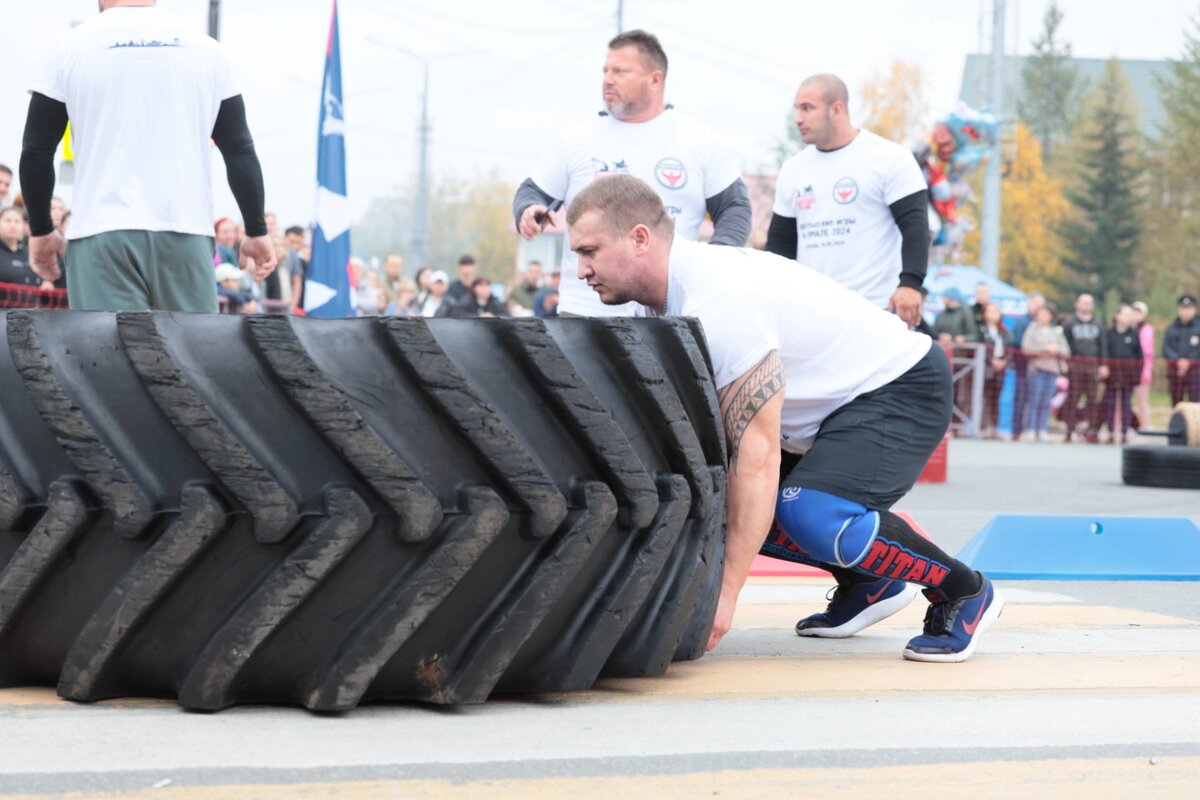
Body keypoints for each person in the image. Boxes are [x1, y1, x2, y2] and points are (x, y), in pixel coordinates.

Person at [567, 174, 1002, 662]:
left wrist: (724, 596)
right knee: (715, 496)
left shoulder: (719, 302)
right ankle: (870, 583)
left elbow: (756, 457)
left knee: (810, 511)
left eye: (590, 251)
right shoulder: (664, 304)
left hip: (900, 386)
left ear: (639, 238)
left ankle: (963, 591)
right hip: (831, 408)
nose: (581, 269)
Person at [18, 0, 275, 312]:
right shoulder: (208, 50)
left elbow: (37, 152)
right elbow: (239, 150)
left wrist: (42, 230)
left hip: (101, 232)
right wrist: (256, 230)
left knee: (106, 357)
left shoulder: (66, 48)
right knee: (191, 356)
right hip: (186, 229)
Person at [513, 29, 751, 317]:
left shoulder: (699, 141)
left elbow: (735, 208)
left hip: (668, 312)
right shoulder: (575, 140)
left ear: (655, 79)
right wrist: (528, 208)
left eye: (620, 71)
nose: (608, 79)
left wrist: (715, 263)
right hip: (584, 313)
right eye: (605, 71)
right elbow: (532, 191)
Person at [765, 74, 928, 327]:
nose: (798, 118)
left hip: (874, 309)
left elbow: (915, 227)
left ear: (837, 109)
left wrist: (910, 283)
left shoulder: (888, 158)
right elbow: (780, 245)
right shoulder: (793, 169)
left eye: (807, 108)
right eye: (797, 108)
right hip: (811, 312)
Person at [1061, 293, 1109, 443]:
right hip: (1075, 365)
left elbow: (1103, 345)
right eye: (1083, 302)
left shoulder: (1098, 323)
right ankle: (1069, 430)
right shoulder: (1069, 323)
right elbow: (1064, 344)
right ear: (1077, 304)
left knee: (1093, 399)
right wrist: (1066, 363)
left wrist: (1103, 364)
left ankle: (1092, 430)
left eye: (1089, 303)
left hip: (1092, 366)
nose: (1086, 306)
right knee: (1072, 398)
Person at [1021, 303, 1070, 442]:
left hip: (1052, 371)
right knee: (1034, 401)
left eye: (1047, 314)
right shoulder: (1032, 329)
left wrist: (1055, 350)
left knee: (1046, 401)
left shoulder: (1055, 331)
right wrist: (1044, 349)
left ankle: (1042, 429)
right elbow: (1026, 347)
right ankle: (1031, 429)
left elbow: (1066, 351)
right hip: (1037, 370)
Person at [1102, 304, 1142, 444]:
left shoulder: (1133, 334)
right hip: (1112, 375)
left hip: (1127, 375)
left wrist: (1137, 376)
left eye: (1130, 314)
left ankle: (1125, 432)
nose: (1128, 317)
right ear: (1116, 316)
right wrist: (1104, 367)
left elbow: (1139, 357)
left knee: (1126, 404)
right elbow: (1105, 352)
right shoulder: (1109, 334)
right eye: (1125, 314)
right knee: (1110, 404)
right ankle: (1111, 432)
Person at [1008, 291, 1045, 441]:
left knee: (1037, 400)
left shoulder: (1047, 324)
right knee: (1020, 399)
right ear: (1030, 304)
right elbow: (1017, 343)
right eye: (1036, 303)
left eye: (1040, 304)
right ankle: (1017, 431)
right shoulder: (1022, 322)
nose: (1038, 307)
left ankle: (1035, 429)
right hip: (1023, 368)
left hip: (1040, 368)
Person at [977, 302, 1011, 439]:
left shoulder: (1004, 333)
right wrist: (991, 360)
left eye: (995, 311)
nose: (992, 314)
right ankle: (982, 426)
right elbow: (981, 347)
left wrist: (1003, 361)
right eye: (990, 311)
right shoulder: (981, 330)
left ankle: (994, 427)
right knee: (983, 398)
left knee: (995, 399)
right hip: (985, 369)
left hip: (1000, 370)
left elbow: (1009, 350)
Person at [1163, 293, 1200, 405]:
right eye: (1183, 308)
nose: (1186, 311)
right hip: (1175, 370)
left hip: (1195, 371)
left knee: (1195, 402)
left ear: (1194, 309)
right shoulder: (1171, 327)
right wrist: (1178, 361)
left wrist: (1189, 361)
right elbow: (1166, 347)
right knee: (1176, 402)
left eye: (1189, 308)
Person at [0, 206, 39, 288]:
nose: (13, 225)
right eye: (8, 221)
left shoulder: (30, 252)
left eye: (17, 221)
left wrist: (46, 282)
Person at [1130, 300, 1154, 430]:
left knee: (1142, 400)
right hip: (1128, 371)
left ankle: (1145, 425)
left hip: (1142, 370)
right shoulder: (1128, 328)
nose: (1136, 315)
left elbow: (1146, 351)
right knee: (1126, 401)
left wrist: (1145, 371)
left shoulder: (1146, 329)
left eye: (1139, 312)